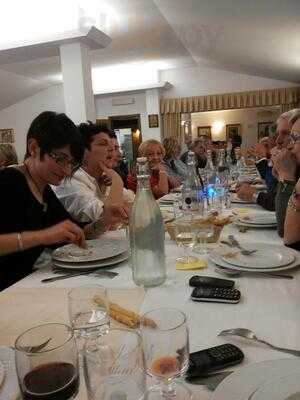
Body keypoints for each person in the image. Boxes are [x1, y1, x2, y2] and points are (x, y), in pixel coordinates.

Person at [0, 112, 106, 290]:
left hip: (27, 284)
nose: (67, 170)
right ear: (34, 148)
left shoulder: (44, 188)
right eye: (60, 159)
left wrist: (106, 219)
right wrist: (43, 236)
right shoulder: (8, 182)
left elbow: (75, 232)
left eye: (72, 163)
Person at [53, 122, 130, 226]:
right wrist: (117, 182)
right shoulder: (71, 182)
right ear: (84, 151)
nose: (111, 149)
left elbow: (133, 203)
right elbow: (110, 220)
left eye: (112, 145)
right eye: (103, 144)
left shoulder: (103, 178)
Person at [236, 109, 297, 212]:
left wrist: (254, 195)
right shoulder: (290, 162)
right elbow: (273, 191)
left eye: (286, 133)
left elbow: (277, 205)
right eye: (277, 135)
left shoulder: (289, 164)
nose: (278, 141)